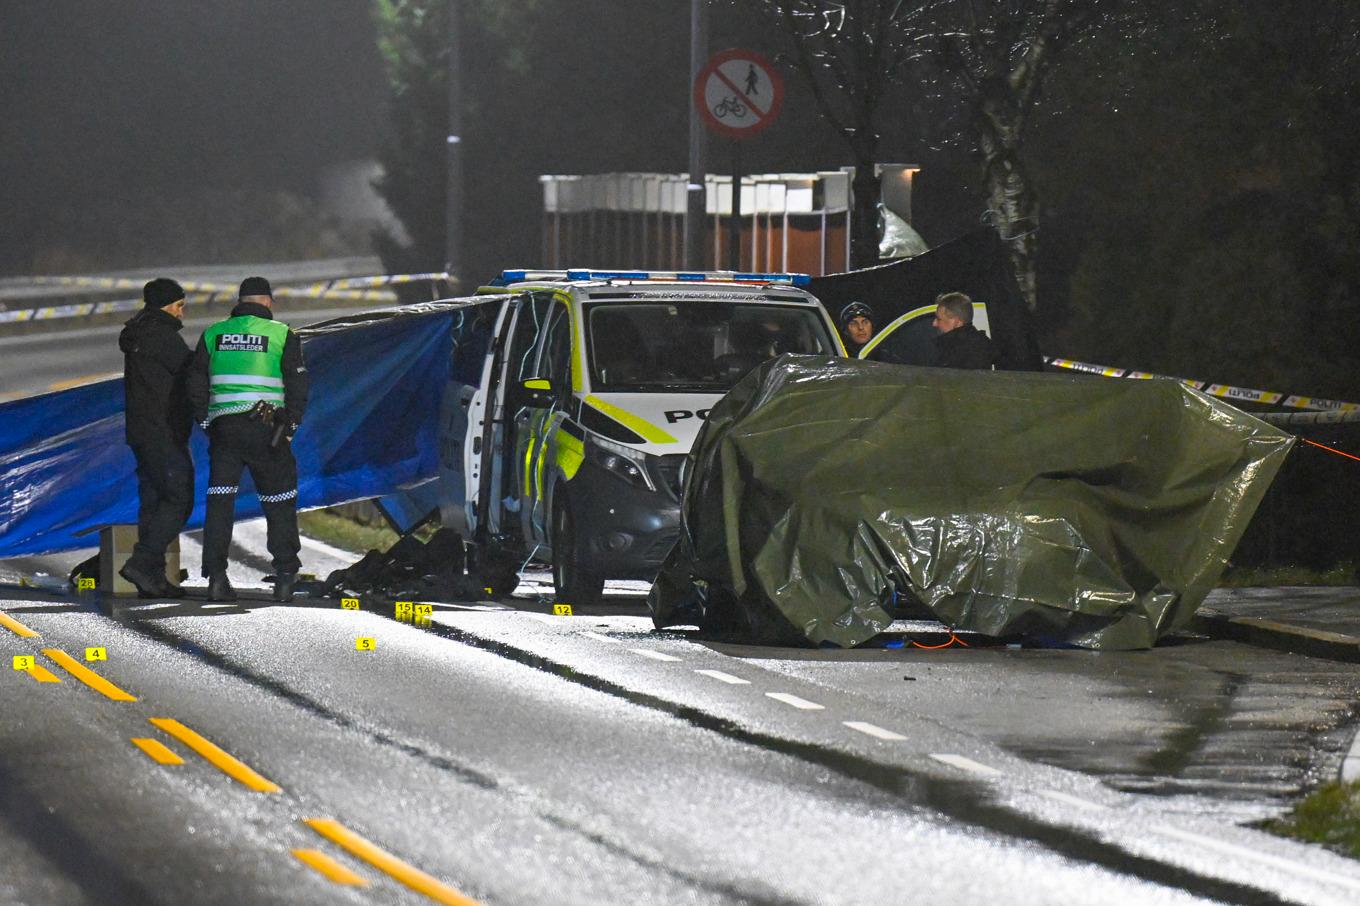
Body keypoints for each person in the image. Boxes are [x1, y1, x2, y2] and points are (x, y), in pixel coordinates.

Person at [187, 277, 309, 602]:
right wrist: (292, 425)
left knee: (220, 501)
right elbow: (298, 386)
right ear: (268, 302)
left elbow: (195, 382)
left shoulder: (213, 333)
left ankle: (216, 576)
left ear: (240, 301)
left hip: (224, 430)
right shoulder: (282, 334)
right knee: (279, 501)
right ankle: (285, 576)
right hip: (267, 429)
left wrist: (206, 420)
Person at [117, 278, 194, 597]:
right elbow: (192, 375)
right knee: (180, 496)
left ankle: (154, 579)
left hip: (141, 431)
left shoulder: (138, 334)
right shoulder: (163, 338)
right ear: (166, 306)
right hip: (163, 431)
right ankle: (144, 561)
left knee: (154, 500)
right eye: (179, 306)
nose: (182, 314)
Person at [931, 291, 996, 370]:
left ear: (956, 322)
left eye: (939, 319)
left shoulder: (969, 352)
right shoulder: (973, 347)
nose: (934, 323)